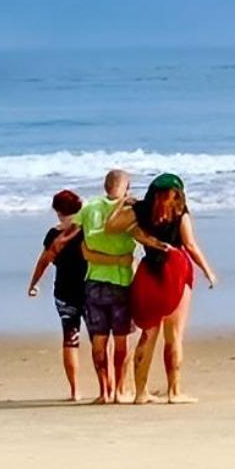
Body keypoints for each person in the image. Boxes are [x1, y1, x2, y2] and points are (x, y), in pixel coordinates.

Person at [126, 173, 217, 404]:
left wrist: (146, 238)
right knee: (174, 335)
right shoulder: (180, 214)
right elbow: (190, 245)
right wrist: (208, 270)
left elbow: (122, 227)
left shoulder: (141, 211)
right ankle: (174, 391)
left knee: (148, 334)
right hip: (174, 269)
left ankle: (140, 393)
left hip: (148, 271)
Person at [75, 169, 139, 404]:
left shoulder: (89, 208)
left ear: (105, 186)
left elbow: (79, 241)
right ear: (127, 187)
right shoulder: (129, 209)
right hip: (121, 281)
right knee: (121, 339)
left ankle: (104, 391)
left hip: (93, 281)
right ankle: (120, 390)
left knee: (99, 340)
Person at [26, 189, 87, 400]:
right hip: (90, 289)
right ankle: (107, 388)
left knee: (70, 339)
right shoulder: (88, 230)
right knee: (100, 338)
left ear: (58, 211)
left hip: (64, 291)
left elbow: (44, 261)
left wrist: (33, 284)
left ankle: (75, 391)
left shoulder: (54, 235)